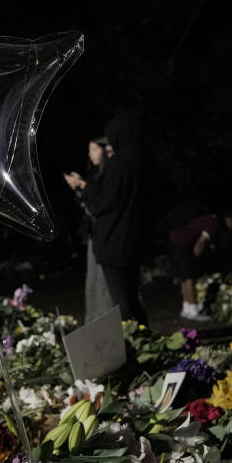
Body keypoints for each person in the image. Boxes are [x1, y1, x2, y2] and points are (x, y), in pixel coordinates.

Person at [87, 111, 152, 325]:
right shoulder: (144, 160)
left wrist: (88, 190)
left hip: (113, 241)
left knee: (122, 302)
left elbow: (102, 204)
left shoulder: (118, 164)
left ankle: (136, 345)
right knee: (133, 297)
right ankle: (146, 338)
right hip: (136, 239)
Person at [63, 137, 114, 324]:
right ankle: (96, 319)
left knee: (104, 282)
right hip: (95, 234)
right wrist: (78, 189)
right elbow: (89, 206)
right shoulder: (97, 174)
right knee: (94, 280)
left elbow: (101, 203)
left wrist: (83, 185)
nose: (90, 154)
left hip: (106, 236)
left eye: (94, 149)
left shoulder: (111, 174)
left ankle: (107, 318)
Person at [165, 201, 218, 321]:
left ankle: (186, 308)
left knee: (183, 277)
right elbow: (200, 242)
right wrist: (194, 257)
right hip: (182, 243)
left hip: (172, 241)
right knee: (190, 277)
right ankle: (193, 310)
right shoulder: (213, 222)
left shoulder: (200, 216)